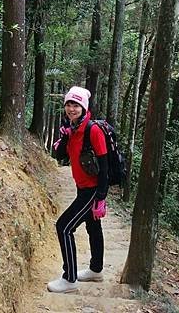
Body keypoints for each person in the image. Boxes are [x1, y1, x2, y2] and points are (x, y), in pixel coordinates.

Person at [47, 86, 108, 293]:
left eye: (76, 105)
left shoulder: (93, 130)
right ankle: (96, 270)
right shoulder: (72, 129)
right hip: (82, 188)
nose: (72, 109)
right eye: (69, 105)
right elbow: (61, 156)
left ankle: (70, 279)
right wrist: (64, 136)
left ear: (84, 108)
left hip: (91, 191)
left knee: (64, 227)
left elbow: (104, 166)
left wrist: (100, 197)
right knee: (93, 228)